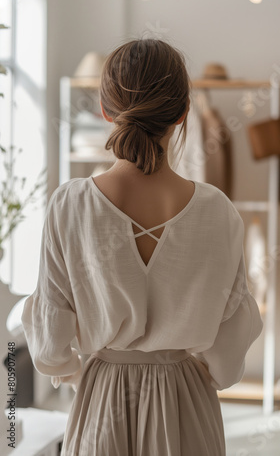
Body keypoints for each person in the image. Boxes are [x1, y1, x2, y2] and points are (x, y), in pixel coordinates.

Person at [21, 38, 263, 456]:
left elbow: (50, 344)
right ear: (184, 112)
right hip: (187, 405)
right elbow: (227, 354)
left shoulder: (69, 204)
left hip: (101, 402)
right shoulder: (218, 210)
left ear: (105, 111)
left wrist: (86, 372)